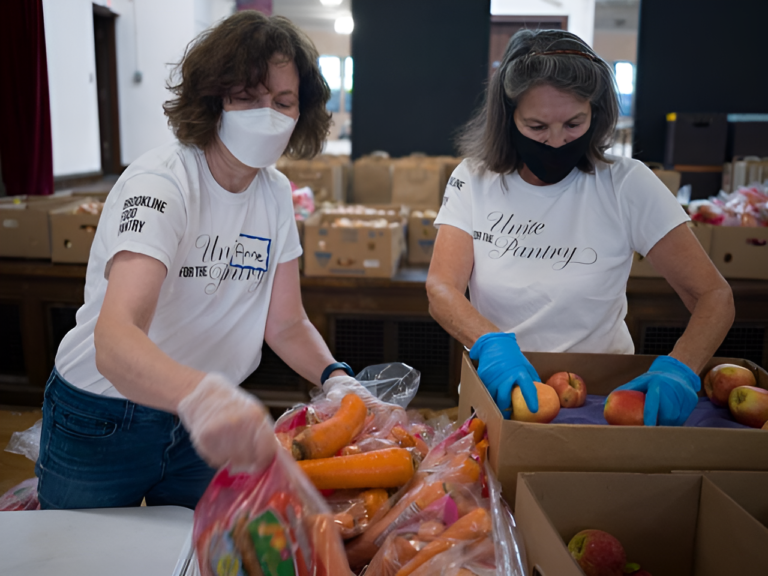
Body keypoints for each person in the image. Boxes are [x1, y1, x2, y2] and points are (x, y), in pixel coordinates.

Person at [35, 12, 355, 510]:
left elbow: (287, 323)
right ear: (212, 100)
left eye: (283, 101)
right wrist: (203, 396)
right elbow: (115, 341)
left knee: (197, 553)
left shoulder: (274, 194)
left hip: (205, 421)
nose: (267, 113)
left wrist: (336, 377)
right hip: (105, 414)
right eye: (247, 97)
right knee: (86, 554)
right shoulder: (163, 183)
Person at [426, 30, 734, 427]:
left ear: (597, 113)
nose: (555, 142)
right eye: (537, 127)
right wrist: (489, 344)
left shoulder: (627, 183)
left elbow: (713, 295)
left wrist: (681, 368)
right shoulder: (474, 179)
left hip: (604, 405)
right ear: (508, 118)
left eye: (574, 123)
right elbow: (441, 288)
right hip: (502, 395)